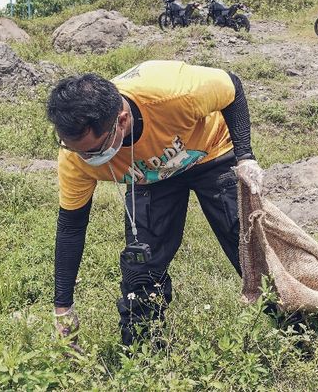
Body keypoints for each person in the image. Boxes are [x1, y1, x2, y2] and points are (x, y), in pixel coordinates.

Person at [46, 60, 264, 346]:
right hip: (150, 177)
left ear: (121, 120)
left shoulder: (173, 92)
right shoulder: (75, 157)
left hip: (208, 151)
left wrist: (245, 156)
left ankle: (297, 327)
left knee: (248, 243)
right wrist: (63, 307)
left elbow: (232, 85)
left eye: (92, 150)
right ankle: (143, 350)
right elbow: (71, 227)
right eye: (73, 149)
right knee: (141, 268)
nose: (84, 158)